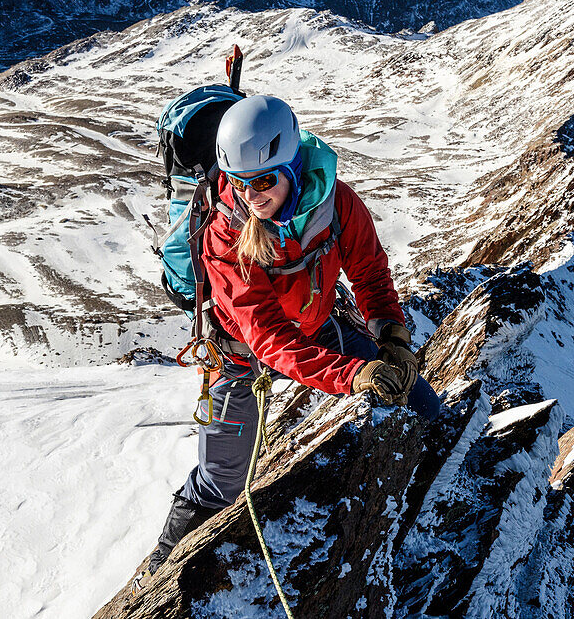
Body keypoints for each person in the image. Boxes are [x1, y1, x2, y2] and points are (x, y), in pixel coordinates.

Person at [135, 95, 440, 591]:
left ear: (294, 165)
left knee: (420, 404)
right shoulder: (223, 236)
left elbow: (369, 274)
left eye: (263, 181)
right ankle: (156, 575)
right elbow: (269, 339)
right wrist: (354, 373)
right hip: (237, 355)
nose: (252, 196)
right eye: (239, 182)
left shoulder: (337, 202)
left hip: (316, 326)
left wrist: (393, 338)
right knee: (223, 482)